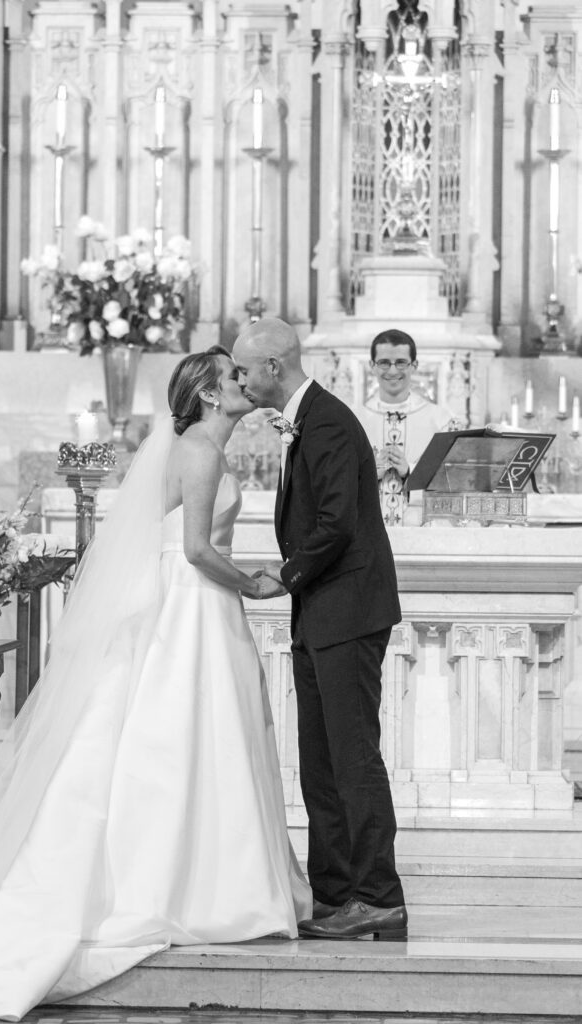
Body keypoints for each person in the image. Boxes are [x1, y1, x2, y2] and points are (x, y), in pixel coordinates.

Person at [0, 346, 311, 1021]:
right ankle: (197, 887)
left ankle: (205, 878)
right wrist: (257, 583)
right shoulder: (202, 449)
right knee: (188, 735)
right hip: (194, 607)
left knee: (184, 738)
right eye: (233, 377)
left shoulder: (193, 443)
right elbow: (199, 551)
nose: (245, 383)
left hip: (188, 606)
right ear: (207, 393)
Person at [233, 318, 407, 941]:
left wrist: (287, 574)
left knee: (353, 757)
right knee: (321, 761)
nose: (240, 379)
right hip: (324, 612)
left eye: (245, 369)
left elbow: (335, 522)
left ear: (274, 367)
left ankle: (378, 895)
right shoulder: (308, 419)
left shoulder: (328, 420)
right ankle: (334, 895)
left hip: (349, 610)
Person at [357, 328, 458, 526]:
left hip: (421, 533)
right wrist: (369, 473)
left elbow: (455, 481)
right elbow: (335, 482)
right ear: (372, 366)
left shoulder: (441, 421)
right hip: (367, 531)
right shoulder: (353, 420)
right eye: (384, 362)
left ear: (414, 366)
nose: (393, 371)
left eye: (401, 362)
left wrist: (410, 471)